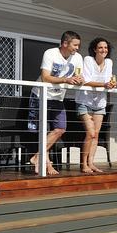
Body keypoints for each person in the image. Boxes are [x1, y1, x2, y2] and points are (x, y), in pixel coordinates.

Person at [29, 31, 84, 175]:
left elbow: (79, 76)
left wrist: (80, 80)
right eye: (75, 45)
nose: (77, 48)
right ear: (65, 43)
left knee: (60, 129)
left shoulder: (77, 58)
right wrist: (66, 80)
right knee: (43, 132)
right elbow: (45, 77)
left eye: (78, 45)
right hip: (41, 95)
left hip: (58, 98)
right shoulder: (50, 53)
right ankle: (46, 166)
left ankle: (37, 157)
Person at [76, 37, 116, 174]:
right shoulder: (88, 60)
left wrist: (111, 84)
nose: (103, 50)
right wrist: (104, 84)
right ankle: (83, 165)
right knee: (90, 133)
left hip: (100, 103)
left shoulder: (109, 62)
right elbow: (86, 81)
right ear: (94, 49)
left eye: (105, 48)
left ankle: (91, 163)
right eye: (100, 47)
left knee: (96, 135)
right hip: (85, 101)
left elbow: (108, 80)